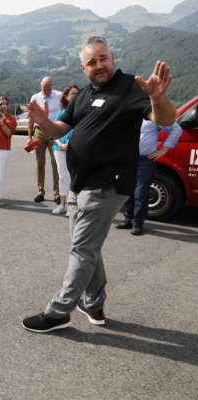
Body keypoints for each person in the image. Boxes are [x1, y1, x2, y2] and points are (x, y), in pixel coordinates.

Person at [22, 36, 177, 333]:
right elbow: (60, 129)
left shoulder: (131, 86)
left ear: (112, 57)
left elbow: (166, 119)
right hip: (79, 184)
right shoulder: (81, 96)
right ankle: (94, 303)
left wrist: (158, 98)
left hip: (108, 183)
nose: (99, 65)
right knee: (86, 246)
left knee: (82, 249)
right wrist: (43, 121)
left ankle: (59, 312)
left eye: (103, 58)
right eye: (92, 62)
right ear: (83, 67)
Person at [116, 120, 182, 235]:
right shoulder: (127, 113)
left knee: (141, 193)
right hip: (125, 160)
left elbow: (176, 129)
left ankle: (138, 222)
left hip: (144, 160)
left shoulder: (152, 116)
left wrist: (164, 149)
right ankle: (128, 219)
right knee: (126, 191)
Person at [27, 76, 62, 204]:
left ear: (53, 85)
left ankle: (57, 194)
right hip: (39, 133)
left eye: (48, 89)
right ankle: (40, 192)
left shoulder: (60, 95)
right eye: (44, 90)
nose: (46, 92)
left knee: (55, 164)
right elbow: (31, 118)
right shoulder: (35, 97)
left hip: (54, 132)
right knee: (40, 164)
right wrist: (29, 136)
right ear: (40, 86)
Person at [51, 85, 79, 215]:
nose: (75, 95)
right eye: (72, 93)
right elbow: (54, 133)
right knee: (62, 177)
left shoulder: (82, 112)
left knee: (75, 177)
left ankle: (73, 207)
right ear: (66, 97)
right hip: (59, 148)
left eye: (77, 93)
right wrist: (61, 144)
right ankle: (62, 205)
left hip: (76, 149)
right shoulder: (61, 113)